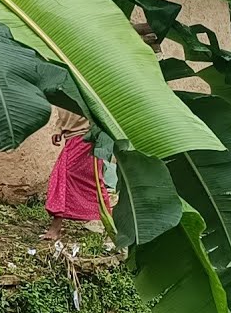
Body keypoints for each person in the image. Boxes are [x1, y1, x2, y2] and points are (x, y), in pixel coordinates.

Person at [42, 22, 161, 241]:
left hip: (88, 135)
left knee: (68, 176)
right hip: (72, 135)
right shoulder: (65, 75)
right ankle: (106, 222)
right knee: (85, 179)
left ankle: (62, 226)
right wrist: (59, 128)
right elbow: (63, 108)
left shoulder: (88, 76)